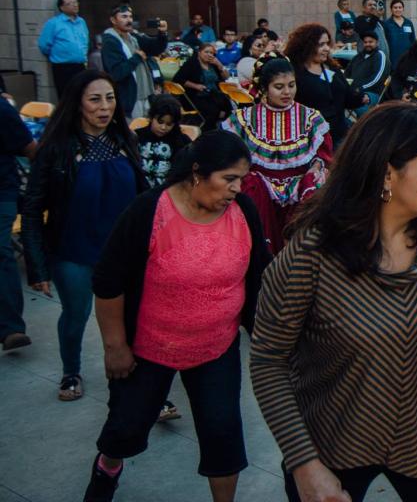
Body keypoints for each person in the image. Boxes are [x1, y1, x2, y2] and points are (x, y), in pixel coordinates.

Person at [251, 104, 417, 502]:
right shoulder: (310, 255)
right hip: (334, 443)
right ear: (386, 173)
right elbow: (268, 362)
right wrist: (304, 463)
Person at [83, 131, 271, 502]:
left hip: (217, 348)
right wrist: (115, 346)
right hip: (149, 348)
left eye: (241, 180)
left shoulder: (243, 212)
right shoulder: (150, 210)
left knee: (223, 432)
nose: (236, 188)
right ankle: (108, 469)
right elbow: (107, 282)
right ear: (198, 173)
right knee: (126, 425)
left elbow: (260, 279)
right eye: (228, 179)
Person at [20, 70, 147, 401]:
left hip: (123, 252)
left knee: (135, 318)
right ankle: (70, 372)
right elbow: (32, 209)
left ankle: (143, 383)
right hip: (73, 252)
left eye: (109, 98)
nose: (104, 107)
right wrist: (37, 266)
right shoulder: (56, 149)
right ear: (77, 104)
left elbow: (144, 198)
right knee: (75, 315)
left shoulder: (124, 141)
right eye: (95, 99)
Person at [221, 56, 333, 254]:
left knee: (316, 189)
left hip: (299, 186)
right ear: (264, 88)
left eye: (291, 85)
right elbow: (229, 154)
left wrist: (316, 167)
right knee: (250, 189)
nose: (287, 92)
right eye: (279, 87)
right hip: (261, 187)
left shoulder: (310, 117)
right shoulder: (245, 119)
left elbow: (323, 154)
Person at [0, 84, 37, 352]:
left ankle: (11, 327)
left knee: (1, 254)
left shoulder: (2, 110)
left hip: (2, 193)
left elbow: (30, 149)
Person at [285, 23, 363, 146]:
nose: (327, 48)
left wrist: (361, 97)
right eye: (321, 44)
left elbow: (347, 96)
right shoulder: (294, 72)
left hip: (338, 134)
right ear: (307, 46)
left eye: (327, 43)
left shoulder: (332, 68)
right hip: (311, 139)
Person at [102, 5, 168, 120]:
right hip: (130, 99)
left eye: (130, 17)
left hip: (145, 95)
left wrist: (162, 34)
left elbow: (155, 48)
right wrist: (136, 58)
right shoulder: (110, 42)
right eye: (124, 17)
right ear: (113, 20)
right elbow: (116, 73)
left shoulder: (133, 37)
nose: (129, 20)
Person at [173, 42, 235, 130]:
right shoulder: (191, 64)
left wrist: (219, 65)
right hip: (196, 96)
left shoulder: (213, 64)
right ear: (199, 52)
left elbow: (226, 77)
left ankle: (225, 127)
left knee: (229, 107)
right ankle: (209, 131)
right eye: (206, 52)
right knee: (213, 110)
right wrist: (196, 86)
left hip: (214, 94)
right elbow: (178, 79)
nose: (209, 55)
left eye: (211, 53)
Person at [38, 0, 90, 97]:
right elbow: (44, 45)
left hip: (80, 66)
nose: (75, 5)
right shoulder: (54, 23)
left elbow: (86, 41)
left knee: (82, 96)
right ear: (62, 7)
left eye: (75, 2)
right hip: (63, 67)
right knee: (66, 97)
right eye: (70, 3)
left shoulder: (81, 21)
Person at [133, 95, 190, 187]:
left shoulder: (181, 141)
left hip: (166, 192)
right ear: (151, 117)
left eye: (169, 124)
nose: (163, 127)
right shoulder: (137, 136)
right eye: (160, 122)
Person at [344, 28, 390, 114]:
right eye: (365, 42)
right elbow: (347, 73)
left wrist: (360, 88)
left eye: (370, 42)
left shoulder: (380, 56)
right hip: (354, 91)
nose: (367, 44)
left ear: (377, 43)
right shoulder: (358, 57)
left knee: (360, 104)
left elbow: (377, 79)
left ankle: (368, 124)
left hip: (373, 93)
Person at [383, 0, 417, 66]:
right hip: (393, 58)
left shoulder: (408, 23)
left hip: (407, 57)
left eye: (400, 7)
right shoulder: (387, 24)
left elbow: (413, 40)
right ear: (391, 9)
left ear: (403, 9)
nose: (398, 9)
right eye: (395, 8)